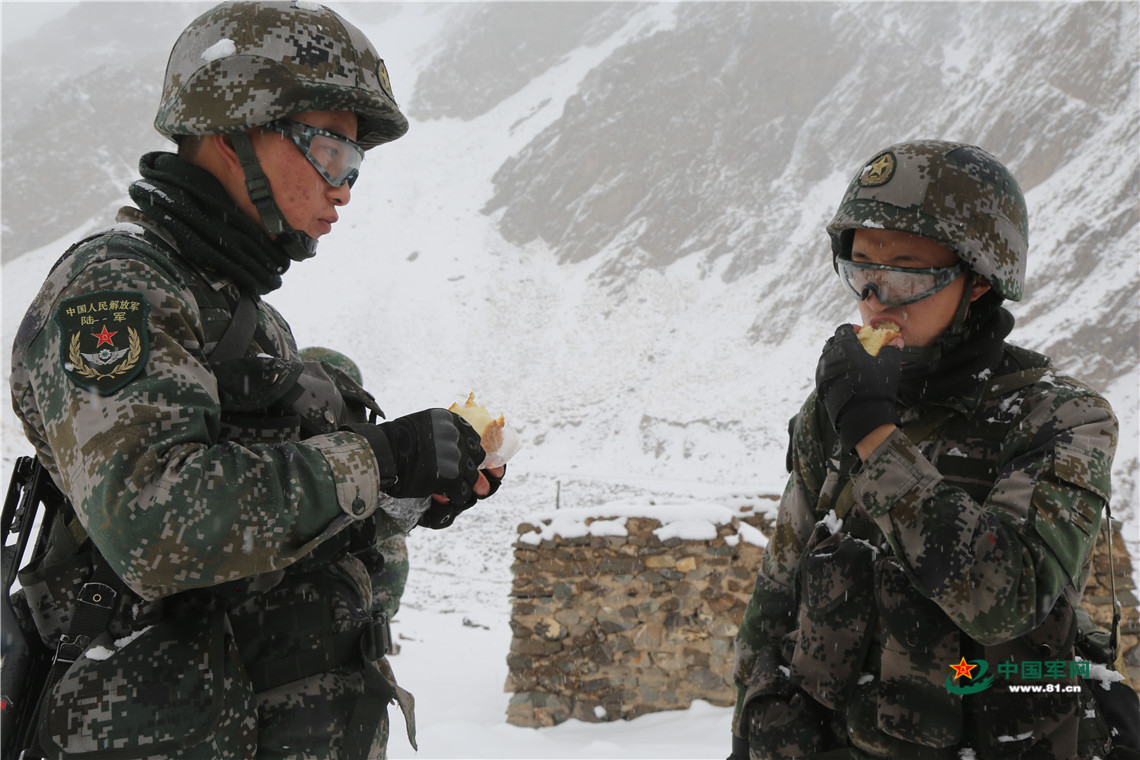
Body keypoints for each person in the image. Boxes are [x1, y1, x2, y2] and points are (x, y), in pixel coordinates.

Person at [7, 2, 505, 758]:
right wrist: (377, 460)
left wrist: (412, 495)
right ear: (233, 130)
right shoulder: (115, 290)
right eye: (331, 149)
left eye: (354, 162)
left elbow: (268, 543)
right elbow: (152, 525)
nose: (345, 186)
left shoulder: (245, 316)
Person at [730, 140, 1123, 759]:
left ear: (977, 282)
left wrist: (877, 440)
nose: (877, 299)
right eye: (861, 270)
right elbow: (776, 597)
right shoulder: (834, 410)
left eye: (908, 275)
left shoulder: (1062, 418)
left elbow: (1008, 600)